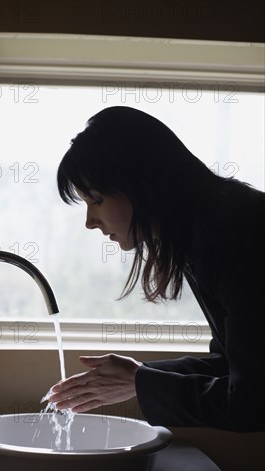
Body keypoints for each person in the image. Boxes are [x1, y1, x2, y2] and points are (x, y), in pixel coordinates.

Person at [48, 106, 265, 432]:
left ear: (140, 182)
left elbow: (252, 403)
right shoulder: (207, 227)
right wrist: (139, 376)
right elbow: (233, 367)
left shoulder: (234, 233)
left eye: (95, 200)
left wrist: (139, 382)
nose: (90, 222)